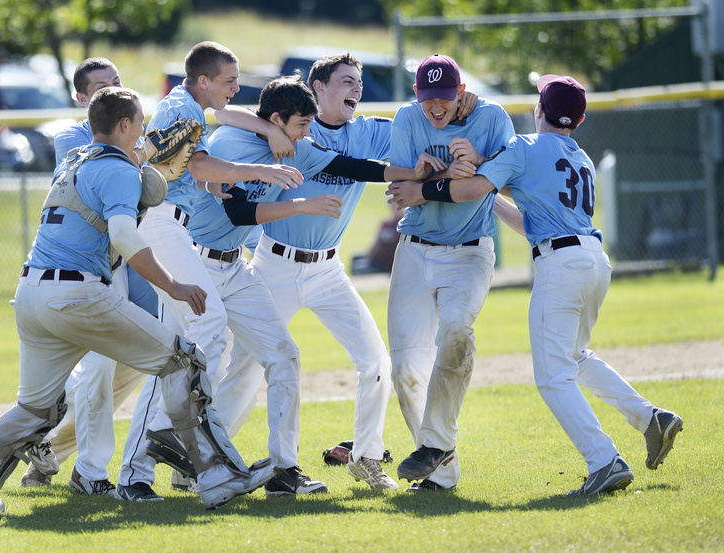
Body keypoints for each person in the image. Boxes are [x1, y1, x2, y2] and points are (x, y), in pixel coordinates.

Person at [0, 87, 276, 517]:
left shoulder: (74, 160)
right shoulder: (119, 169)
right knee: (184, 360)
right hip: (78, 294)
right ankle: (218, 475)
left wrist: (142, 165)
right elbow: (123, 234)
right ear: (124, 126)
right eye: (139, 125)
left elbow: (128, 186)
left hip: (31, 293)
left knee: (35, 409)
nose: (144, 133)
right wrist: (172, 285)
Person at [396, 74, 683, 495]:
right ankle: (649, 417)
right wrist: (487, 185)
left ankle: (604, 460)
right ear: (578, 120)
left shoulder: (524, 147)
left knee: (552, 376)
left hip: (560, 266)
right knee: (575, 356)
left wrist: (423, 189)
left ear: (539, 112)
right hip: (593, 261)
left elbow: (471, 189)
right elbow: (524, 215)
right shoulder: (580, 157)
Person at [215, 58, 447, 492]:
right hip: (275, 263)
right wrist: (268, 130)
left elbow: (416, 126)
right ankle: (207, 462)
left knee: (376, 361)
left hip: (328, 270)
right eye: (345, 81)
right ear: (318, 87)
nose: (355, 89)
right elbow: (226, 113)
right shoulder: (292, 126)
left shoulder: (370, 131)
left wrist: (455, 113)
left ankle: (366, 458)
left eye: (358, 83)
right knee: (246, 369)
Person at [132, 41, 306, 488]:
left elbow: (184, 170)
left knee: (200, 344)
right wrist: (262, 172)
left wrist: (207, 188)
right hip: (160, 225)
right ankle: (164, 437)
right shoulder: (187, 111)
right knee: (204, 328)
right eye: (229, 80)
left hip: (171, 224)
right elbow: (202, 163)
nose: (236, 88)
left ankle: (159, 455)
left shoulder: (185, 107)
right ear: (204, 80)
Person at [19, 57, 164, 502]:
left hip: (116, 269)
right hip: (80, 275)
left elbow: (150, 193)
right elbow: (102, 170)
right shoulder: (72, 136)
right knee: (95, 370)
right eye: (101, 86)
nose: (110, 90)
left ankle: (64, 457)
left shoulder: (132, 129)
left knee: (133, 364)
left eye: (116, 82)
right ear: (82, 100)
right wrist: (146, 154)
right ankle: (83, 464)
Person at [383, 53, 520, 493]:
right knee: (405, 367)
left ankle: (437, 443)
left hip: (469, 253)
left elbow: (506, 176)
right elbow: (404, 191)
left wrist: (478, 163)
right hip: (414, 251)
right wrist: (445, 178)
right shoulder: (407, 118)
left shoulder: (493, 118)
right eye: (428, 100)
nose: (435, 108)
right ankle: (440, 473)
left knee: (457, 333)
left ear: (461, 94)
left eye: (444, 99)